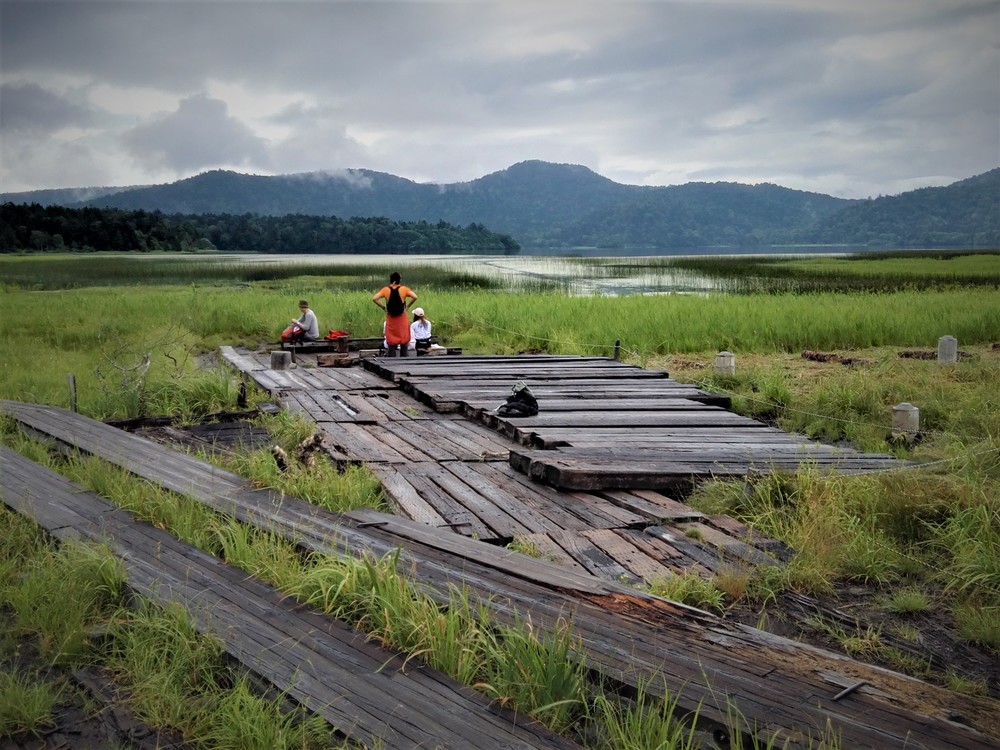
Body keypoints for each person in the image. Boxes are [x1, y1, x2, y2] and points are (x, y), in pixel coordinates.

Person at [372, 271, 417, 356]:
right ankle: (404, 358)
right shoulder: (404, 289)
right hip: (402, 318)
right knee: (404, 340)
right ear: (399, 280)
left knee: (392, 341)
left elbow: (374, 298)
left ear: (391, 280)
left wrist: (383, 307)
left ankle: (392, 359)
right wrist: (407, 307)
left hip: (391, 318)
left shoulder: (386, 290)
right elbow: (415, 297)